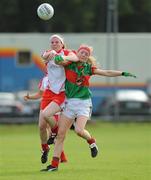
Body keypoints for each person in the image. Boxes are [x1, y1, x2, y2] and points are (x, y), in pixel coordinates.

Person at [41, 44, 136, 171]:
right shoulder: (69, 64)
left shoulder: (89, 68)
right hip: (69, 103)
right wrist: (72, 58)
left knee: (79, 131)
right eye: (82, 52)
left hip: (83, 104)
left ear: (88, 57)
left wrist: (122, 73)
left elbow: (106, 72)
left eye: (86, 54)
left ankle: (91, 141)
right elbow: (58, 60)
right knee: (60, 135)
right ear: (77, 53)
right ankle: (54, 165)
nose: (84, 55)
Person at [39, 34, 78, 164]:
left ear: (62, 43)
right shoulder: (49, 52)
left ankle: (55, 132)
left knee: (46, 114)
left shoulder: (66, 52)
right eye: (52, 42)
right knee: (41, 126)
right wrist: (52, 54)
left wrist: (62, 57)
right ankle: (45, 149)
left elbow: (75, 57)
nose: (54, 43)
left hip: (60, 93)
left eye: (57, 42)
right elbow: (44, 56)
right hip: (48, 93)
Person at [24, 75, 67, 163]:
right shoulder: (45, 79)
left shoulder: (62, 76)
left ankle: (62, 158)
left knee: (55, 134)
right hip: (46, 102)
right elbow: (40, 94)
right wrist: (30, 97)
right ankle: (45, 148)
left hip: (57, 104)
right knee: (42, 127)